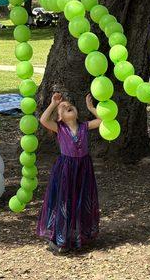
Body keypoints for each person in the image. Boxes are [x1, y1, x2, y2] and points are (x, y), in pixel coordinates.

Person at [37, 92, 102, 253]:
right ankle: (59, 239)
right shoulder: (59, 128)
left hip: (83, 169)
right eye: (63, 107)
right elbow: (43, 120)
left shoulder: (84, 127)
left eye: (69, 105)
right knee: (64, 201)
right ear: (59, 117)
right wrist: (53, 104)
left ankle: (78, 235)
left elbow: (103, 120)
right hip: (66, 169)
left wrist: (91, 108)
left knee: (81, 200)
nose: (67, 106)